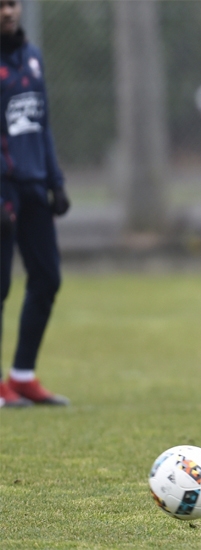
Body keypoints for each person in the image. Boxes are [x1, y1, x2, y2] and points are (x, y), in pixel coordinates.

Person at [0, 0, 71, 408]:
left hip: (33, 187)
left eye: (12, 3)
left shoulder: (32, 57)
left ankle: (23, 376)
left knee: (47, 278)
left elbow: (41, 124)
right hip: (4, 189)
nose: (7, 11)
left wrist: (56, 182)